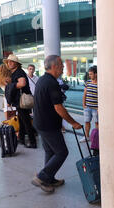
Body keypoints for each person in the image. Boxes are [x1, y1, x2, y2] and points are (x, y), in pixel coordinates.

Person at [31, 55, 82, 194]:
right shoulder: (52, 83)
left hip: (40, 123)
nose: (63, 68)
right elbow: (58, 107)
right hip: (48, 125)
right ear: (54, 66)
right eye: (61, 65)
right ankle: (42, 177)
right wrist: (74, 122)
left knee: (50, 151)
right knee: (61, 152)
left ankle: (49, 178)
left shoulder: (42, 80)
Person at [4, 54, 37, 148]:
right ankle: (21, 138)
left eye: (11, 62)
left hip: (22, 100)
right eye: (8, 62)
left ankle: (32, 142)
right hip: (20, 100)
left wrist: (12, 85)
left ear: (17, 64)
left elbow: (22, 83)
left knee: (26, 121)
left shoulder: (18, 72)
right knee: (22, 120)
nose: (9, 63)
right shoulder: (15, 72)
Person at [81, 66, 98, 143]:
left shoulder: (100, 84)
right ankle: (87, 137)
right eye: (89, 74)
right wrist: (84, 104)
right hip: (87, 107)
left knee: (97, 123)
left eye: (91, 74)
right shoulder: (87, 82)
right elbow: (85, 94)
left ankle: (97, 138)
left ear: (96, 74)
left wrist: (99, 108)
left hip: (96, 108)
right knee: (87, 122)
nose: (90, 76)